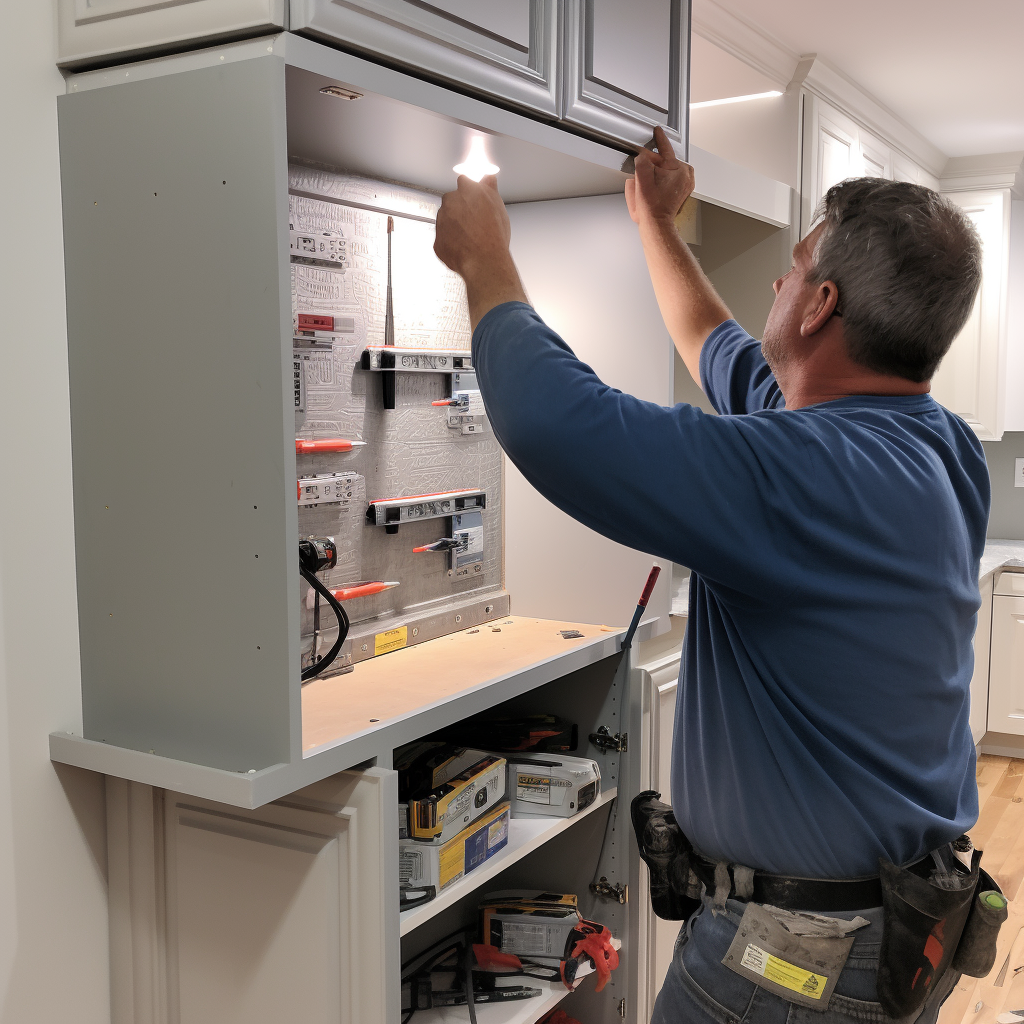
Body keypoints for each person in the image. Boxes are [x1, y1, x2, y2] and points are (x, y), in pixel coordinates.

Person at [433, 126, 988, 1022]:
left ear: (821, 306)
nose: (778, 278)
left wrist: (485, 260)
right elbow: (718, 347)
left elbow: (556, 422)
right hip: (896, 927)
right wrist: (655, 221)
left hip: (792, 964)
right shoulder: (936, 444)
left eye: (797, 266)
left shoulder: (804, 475)